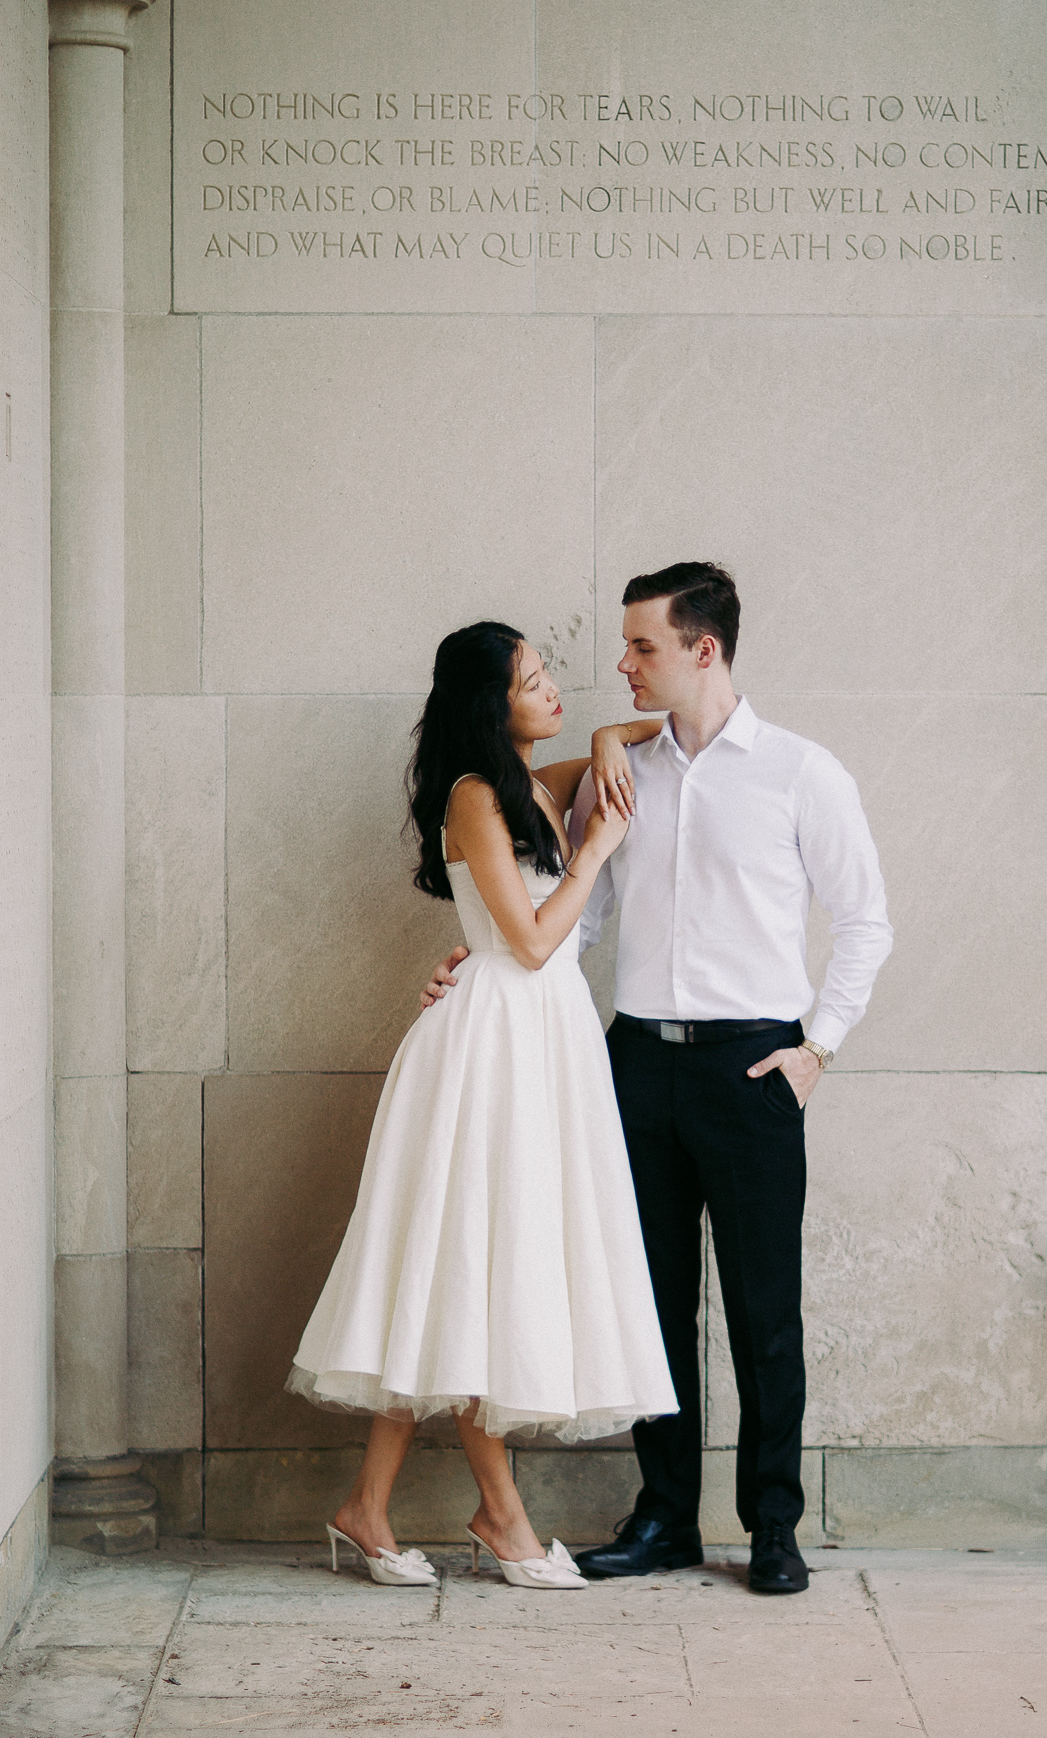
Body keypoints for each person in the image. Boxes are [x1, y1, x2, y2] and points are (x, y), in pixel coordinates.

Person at [425, 565, 892, 1595]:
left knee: (764, 1309)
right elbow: (570, 916)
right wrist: (480, 959)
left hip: (752, 1062)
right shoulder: (616, 776)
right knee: (651, 1305)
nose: (621, 664)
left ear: (703, 650)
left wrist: (817, 1045)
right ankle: (665, 1518)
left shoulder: (801, 773)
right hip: (633, 1059)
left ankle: (773, 1524)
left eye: (641, 646)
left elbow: (866, 920)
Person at [288, 621, 677, 1591]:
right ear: (487, 702)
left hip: (537, 1045)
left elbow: (644, 725)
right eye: (534, 681)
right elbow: (536, 941)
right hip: (491, 1051)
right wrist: (596, 848)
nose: (554, 690)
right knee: (469, 1265)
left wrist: (597, 743)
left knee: (452, 1274)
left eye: (546, 676)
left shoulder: (526, 789)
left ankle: (369, 1508)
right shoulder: (472, 796)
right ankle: (499, 1516)